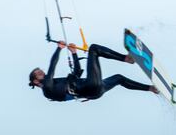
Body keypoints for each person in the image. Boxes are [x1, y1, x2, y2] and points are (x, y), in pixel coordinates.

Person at [28, 41, 158, 101]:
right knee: (94, 49)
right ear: (35, 81)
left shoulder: (56, 83)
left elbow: (77, 73)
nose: (43, 73)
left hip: (95, 91)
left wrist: (74, 53)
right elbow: (52, 68)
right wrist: (59, 49)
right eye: (39, 74)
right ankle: (126, 59)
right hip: (89, 87)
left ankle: (151, 89)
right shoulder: (47, 89)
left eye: (41, 71)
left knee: (119, 78)